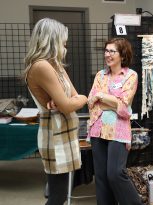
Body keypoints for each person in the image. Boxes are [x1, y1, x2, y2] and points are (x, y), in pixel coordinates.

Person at [23, 18, 87, 205]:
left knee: (61, 192)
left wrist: (75, 99)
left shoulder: (55, 64)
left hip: (65, 129)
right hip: (54, 132)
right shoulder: (41, 66)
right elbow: (69, 105)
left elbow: (77, 98)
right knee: (58, 195)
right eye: (63, 38)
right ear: (52, 39)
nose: (65, 42)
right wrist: (74, 100)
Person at [87, 37, 142, 205]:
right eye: (106, 50)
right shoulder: (100, 75)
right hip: (97, 129)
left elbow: (125, 110)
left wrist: (102, 96)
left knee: (115, 173)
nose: (108, 54)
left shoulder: (131, 76)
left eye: (112, 51)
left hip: (118, 131)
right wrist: (114, 102)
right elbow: (91, 103)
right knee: (102, 178)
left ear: (122, 55)